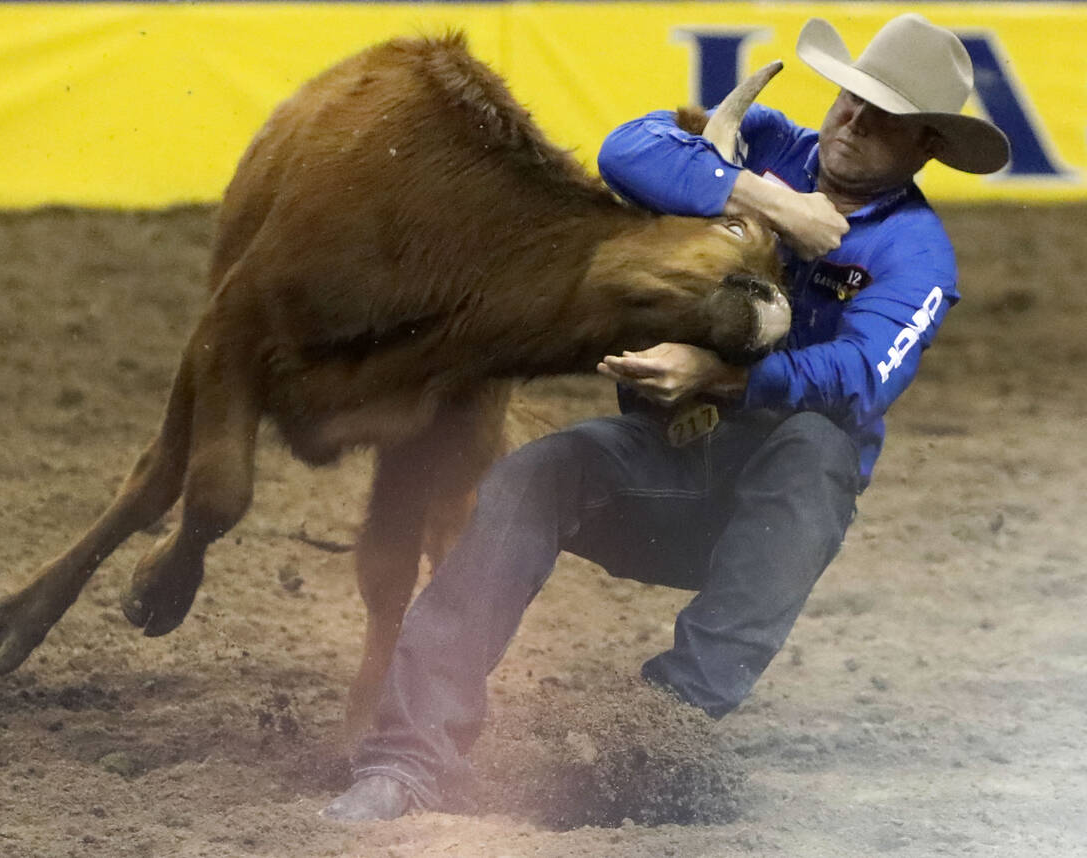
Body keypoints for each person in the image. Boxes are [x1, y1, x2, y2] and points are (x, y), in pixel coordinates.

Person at [322, 13, 1010, 821]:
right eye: (851, 99)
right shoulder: (766, 145)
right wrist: (767, 203)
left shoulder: (915, 253)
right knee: (533, 474)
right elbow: (628, 149)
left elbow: (863, 377)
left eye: (884, 117)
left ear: (925, 145)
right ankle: (409, 758)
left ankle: (655, 742)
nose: (852, 121)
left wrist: (722, 377)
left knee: (819, 447)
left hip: (769, 511)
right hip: (663, 467)